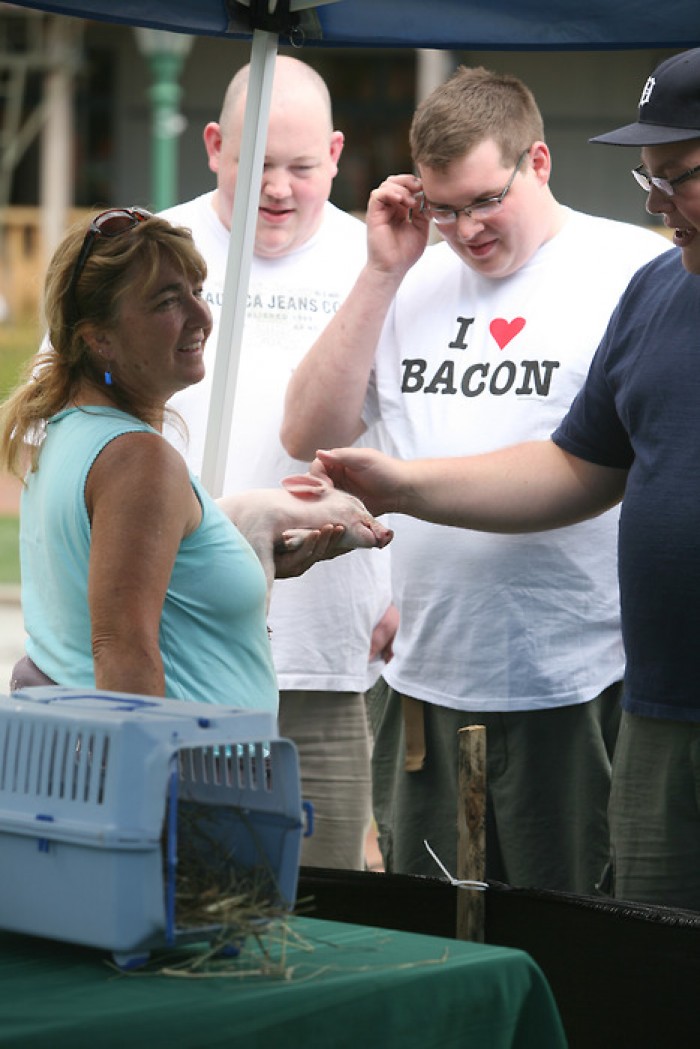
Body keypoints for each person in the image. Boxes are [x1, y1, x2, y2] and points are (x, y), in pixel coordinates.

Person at [301, 49, 700, 913]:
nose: (467, 229)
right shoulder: (649, 290)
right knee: (463, 935)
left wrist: (409, 484)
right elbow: (572, 466)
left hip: (585, 679)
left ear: (537, 162)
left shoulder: (627, 268)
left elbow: (580, 468)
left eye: (485, 200)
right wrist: (381, 273)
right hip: (502, 683)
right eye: (444, 209)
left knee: (582, 931)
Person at [160, 56, 395, 870]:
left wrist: (406, 586)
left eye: (300, 166)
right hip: (173, 639)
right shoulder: (152, 251)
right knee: (185, 884)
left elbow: (423, 436)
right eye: (256, 161)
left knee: (324, 892)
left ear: (335, 153)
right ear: (213, 145)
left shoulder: (381, 262)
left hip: (322, 651)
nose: (278, 188)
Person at [0, 209, 347, 709]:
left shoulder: (69, 427)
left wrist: (228, 558)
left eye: (197, 291)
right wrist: (148, 762)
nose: (201, 316)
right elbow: (122, 653)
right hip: (184, 757)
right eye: (167, 301)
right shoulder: (136, 458)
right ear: (99, 338)